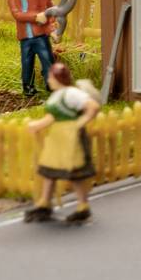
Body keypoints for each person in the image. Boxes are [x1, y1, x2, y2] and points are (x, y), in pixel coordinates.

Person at [28, 61, 100, 226]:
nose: (48, 79)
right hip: (58, 138)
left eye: (50, 76)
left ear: (58, 78)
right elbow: (52, 117)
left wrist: (81, 122)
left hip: (71, 136)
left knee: (75, 172)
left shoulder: (72, 94)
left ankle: (83, 206)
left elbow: (93, 107)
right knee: (49, 170)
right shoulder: (56, 96)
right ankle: (44, 203)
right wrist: (37, 125)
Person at [9, 0, 58, 97]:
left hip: (41, 35)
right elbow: (17, 14)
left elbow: (50, 11)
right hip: (25, 37)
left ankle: (52, 84)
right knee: (26, 62)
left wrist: (51, 30)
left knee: (48, 59)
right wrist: (36, 17)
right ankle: (28, 86)